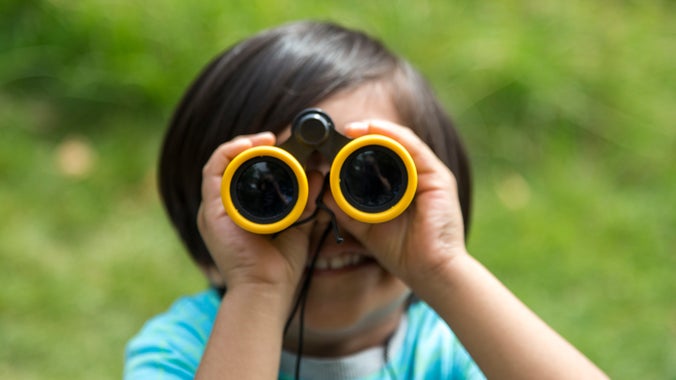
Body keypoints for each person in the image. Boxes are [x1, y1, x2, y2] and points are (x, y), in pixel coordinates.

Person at [124, 20, 607, 379]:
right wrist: (259, 287)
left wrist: (441, 266)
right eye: (272, 189)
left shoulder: (455, 349)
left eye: (369, 181)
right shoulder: (183, 350)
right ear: (211, 221)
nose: (328, 219)